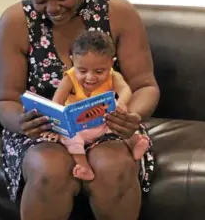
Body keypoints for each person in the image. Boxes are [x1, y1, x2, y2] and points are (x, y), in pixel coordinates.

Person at [0, 0, 160, 220]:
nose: (52, 8)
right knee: (48, 169)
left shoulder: (118, 13)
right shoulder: (15, 22)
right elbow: (4, 99)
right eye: (40, 0)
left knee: (113, 167)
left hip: (110, 124)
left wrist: (133, 115)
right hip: (42, 131)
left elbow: (144, 85)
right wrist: (21, 121)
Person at [41, 29, 150, 181]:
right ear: (73, 61)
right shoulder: (70, 78)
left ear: (111, 63)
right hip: (77, 126)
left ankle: (135, 143)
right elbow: (57, 102)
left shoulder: (113, 75)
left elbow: (125, 90)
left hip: (103, 121)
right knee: (70, 137)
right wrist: (54, 126)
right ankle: (84, 167)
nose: (90, 78)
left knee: (119, 124)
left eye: (99, 71)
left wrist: (122, 103)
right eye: (82, 70)